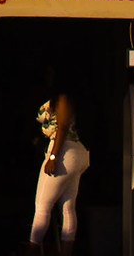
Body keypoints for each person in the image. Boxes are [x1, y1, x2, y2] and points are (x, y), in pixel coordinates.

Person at [28, 93, 88, 255]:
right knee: (68, 207)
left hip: (63, 150)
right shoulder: (68, 97)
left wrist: (53, 157)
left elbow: (62, 126)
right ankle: (66, 251)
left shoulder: (62, 97)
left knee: (42, 207)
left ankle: (32, 250)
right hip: (76, 151)